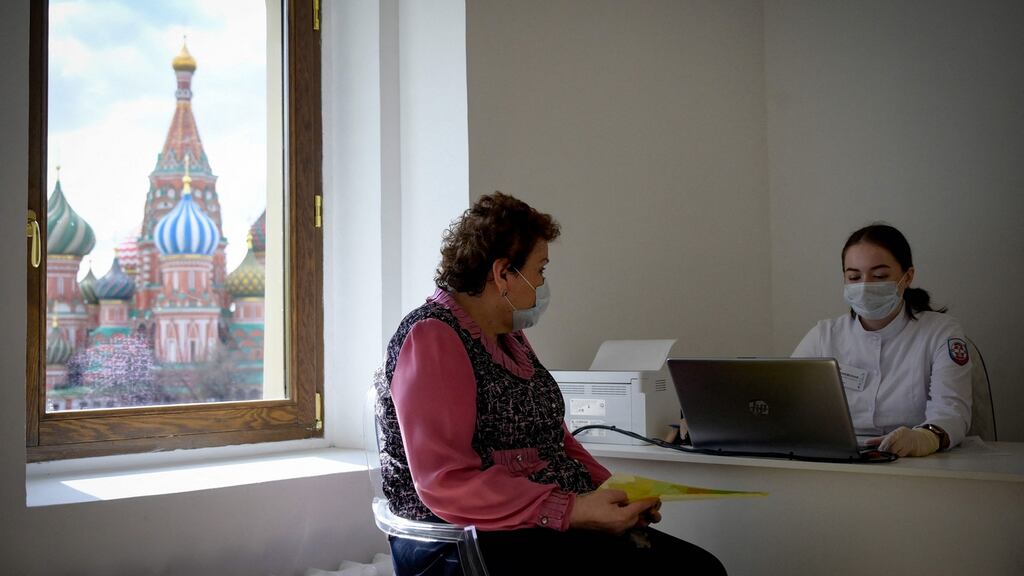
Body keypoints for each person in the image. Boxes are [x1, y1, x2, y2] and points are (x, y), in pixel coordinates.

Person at [377, 192, 726, 575]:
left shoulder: (508, 337)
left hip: (537, 525)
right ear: (503, 274)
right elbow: (447, 481)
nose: (543, 283)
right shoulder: (433, 336)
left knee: (700, 567)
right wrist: (572, 509)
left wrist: (616, 492)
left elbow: (557, 442)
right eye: (540, 269)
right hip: (466, 543)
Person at [793, 223, 972, 457]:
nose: (865, 286)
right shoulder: (824, 335)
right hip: (838, 459)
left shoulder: (940, 332)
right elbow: (787, 401)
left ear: (907, 276)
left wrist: (925, 437)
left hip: (919, 462)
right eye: (854, 276)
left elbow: (952, 410)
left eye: (879, 276)